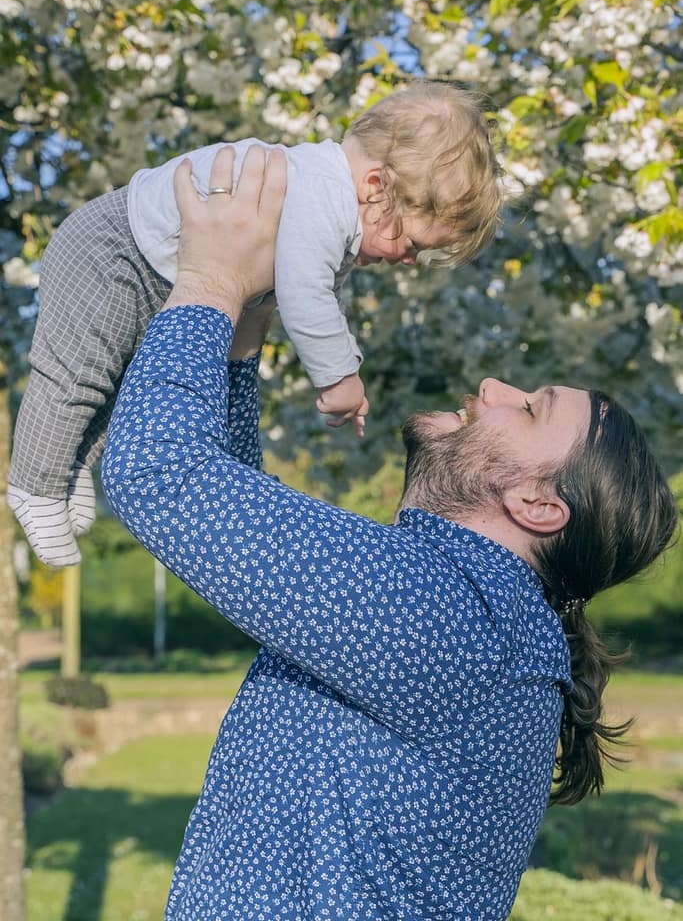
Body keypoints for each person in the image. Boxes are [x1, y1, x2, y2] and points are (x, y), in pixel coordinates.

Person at [101, 146, 678, 921]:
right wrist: (247, 326)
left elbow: (158, 474)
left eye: (531, 408)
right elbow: (236, 517)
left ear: (540, 506)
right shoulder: (471, 612)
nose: (491, 389)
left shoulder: (447, 616)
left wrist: (207, 283)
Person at [8, 80, 502, 569]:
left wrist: (342, 354)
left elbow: (323, 296)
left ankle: (69, 467)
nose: (409, 260)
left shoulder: (337, 210)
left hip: (149, 268)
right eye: (413, 244)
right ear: (376, 187)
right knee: (79, 375)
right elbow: (306, 293)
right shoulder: (324, 195)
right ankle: (34, 484)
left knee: (113, 382)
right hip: (114, 247)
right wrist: (340, 377)